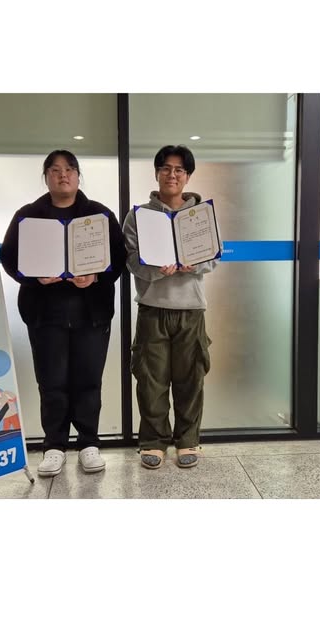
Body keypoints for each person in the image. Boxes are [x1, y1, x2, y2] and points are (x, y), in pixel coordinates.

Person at [0, 150, 126, 477]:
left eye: (69, 169)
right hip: (45, 314)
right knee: (51, 382)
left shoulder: (99, 215)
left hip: (91, 313)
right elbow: (9, 258)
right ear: (46, 177)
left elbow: (119, 258)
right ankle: (54, 446)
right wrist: (34, 277)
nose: (63, 175)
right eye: (55, 170)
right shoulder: (29, 216)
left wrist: (95, 276)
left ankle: (88, 444)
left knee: (88, 380)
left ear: (78, 176)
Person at [123, 145, 219, 469]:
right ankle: (153, 442)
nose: (172, 175)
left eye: (179, 170)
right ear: (156, 173)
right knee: (151, 380)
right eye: (165, 168)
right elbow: (131, 260)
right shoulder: (139, 216)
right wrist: (155, 269)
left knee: (191, 379)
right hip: (153, 308)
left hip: (191, 309)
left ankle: (188, 440)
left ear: (187, 176)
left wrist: (194, 265)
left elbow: (213, 257)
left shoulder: (201, 215)